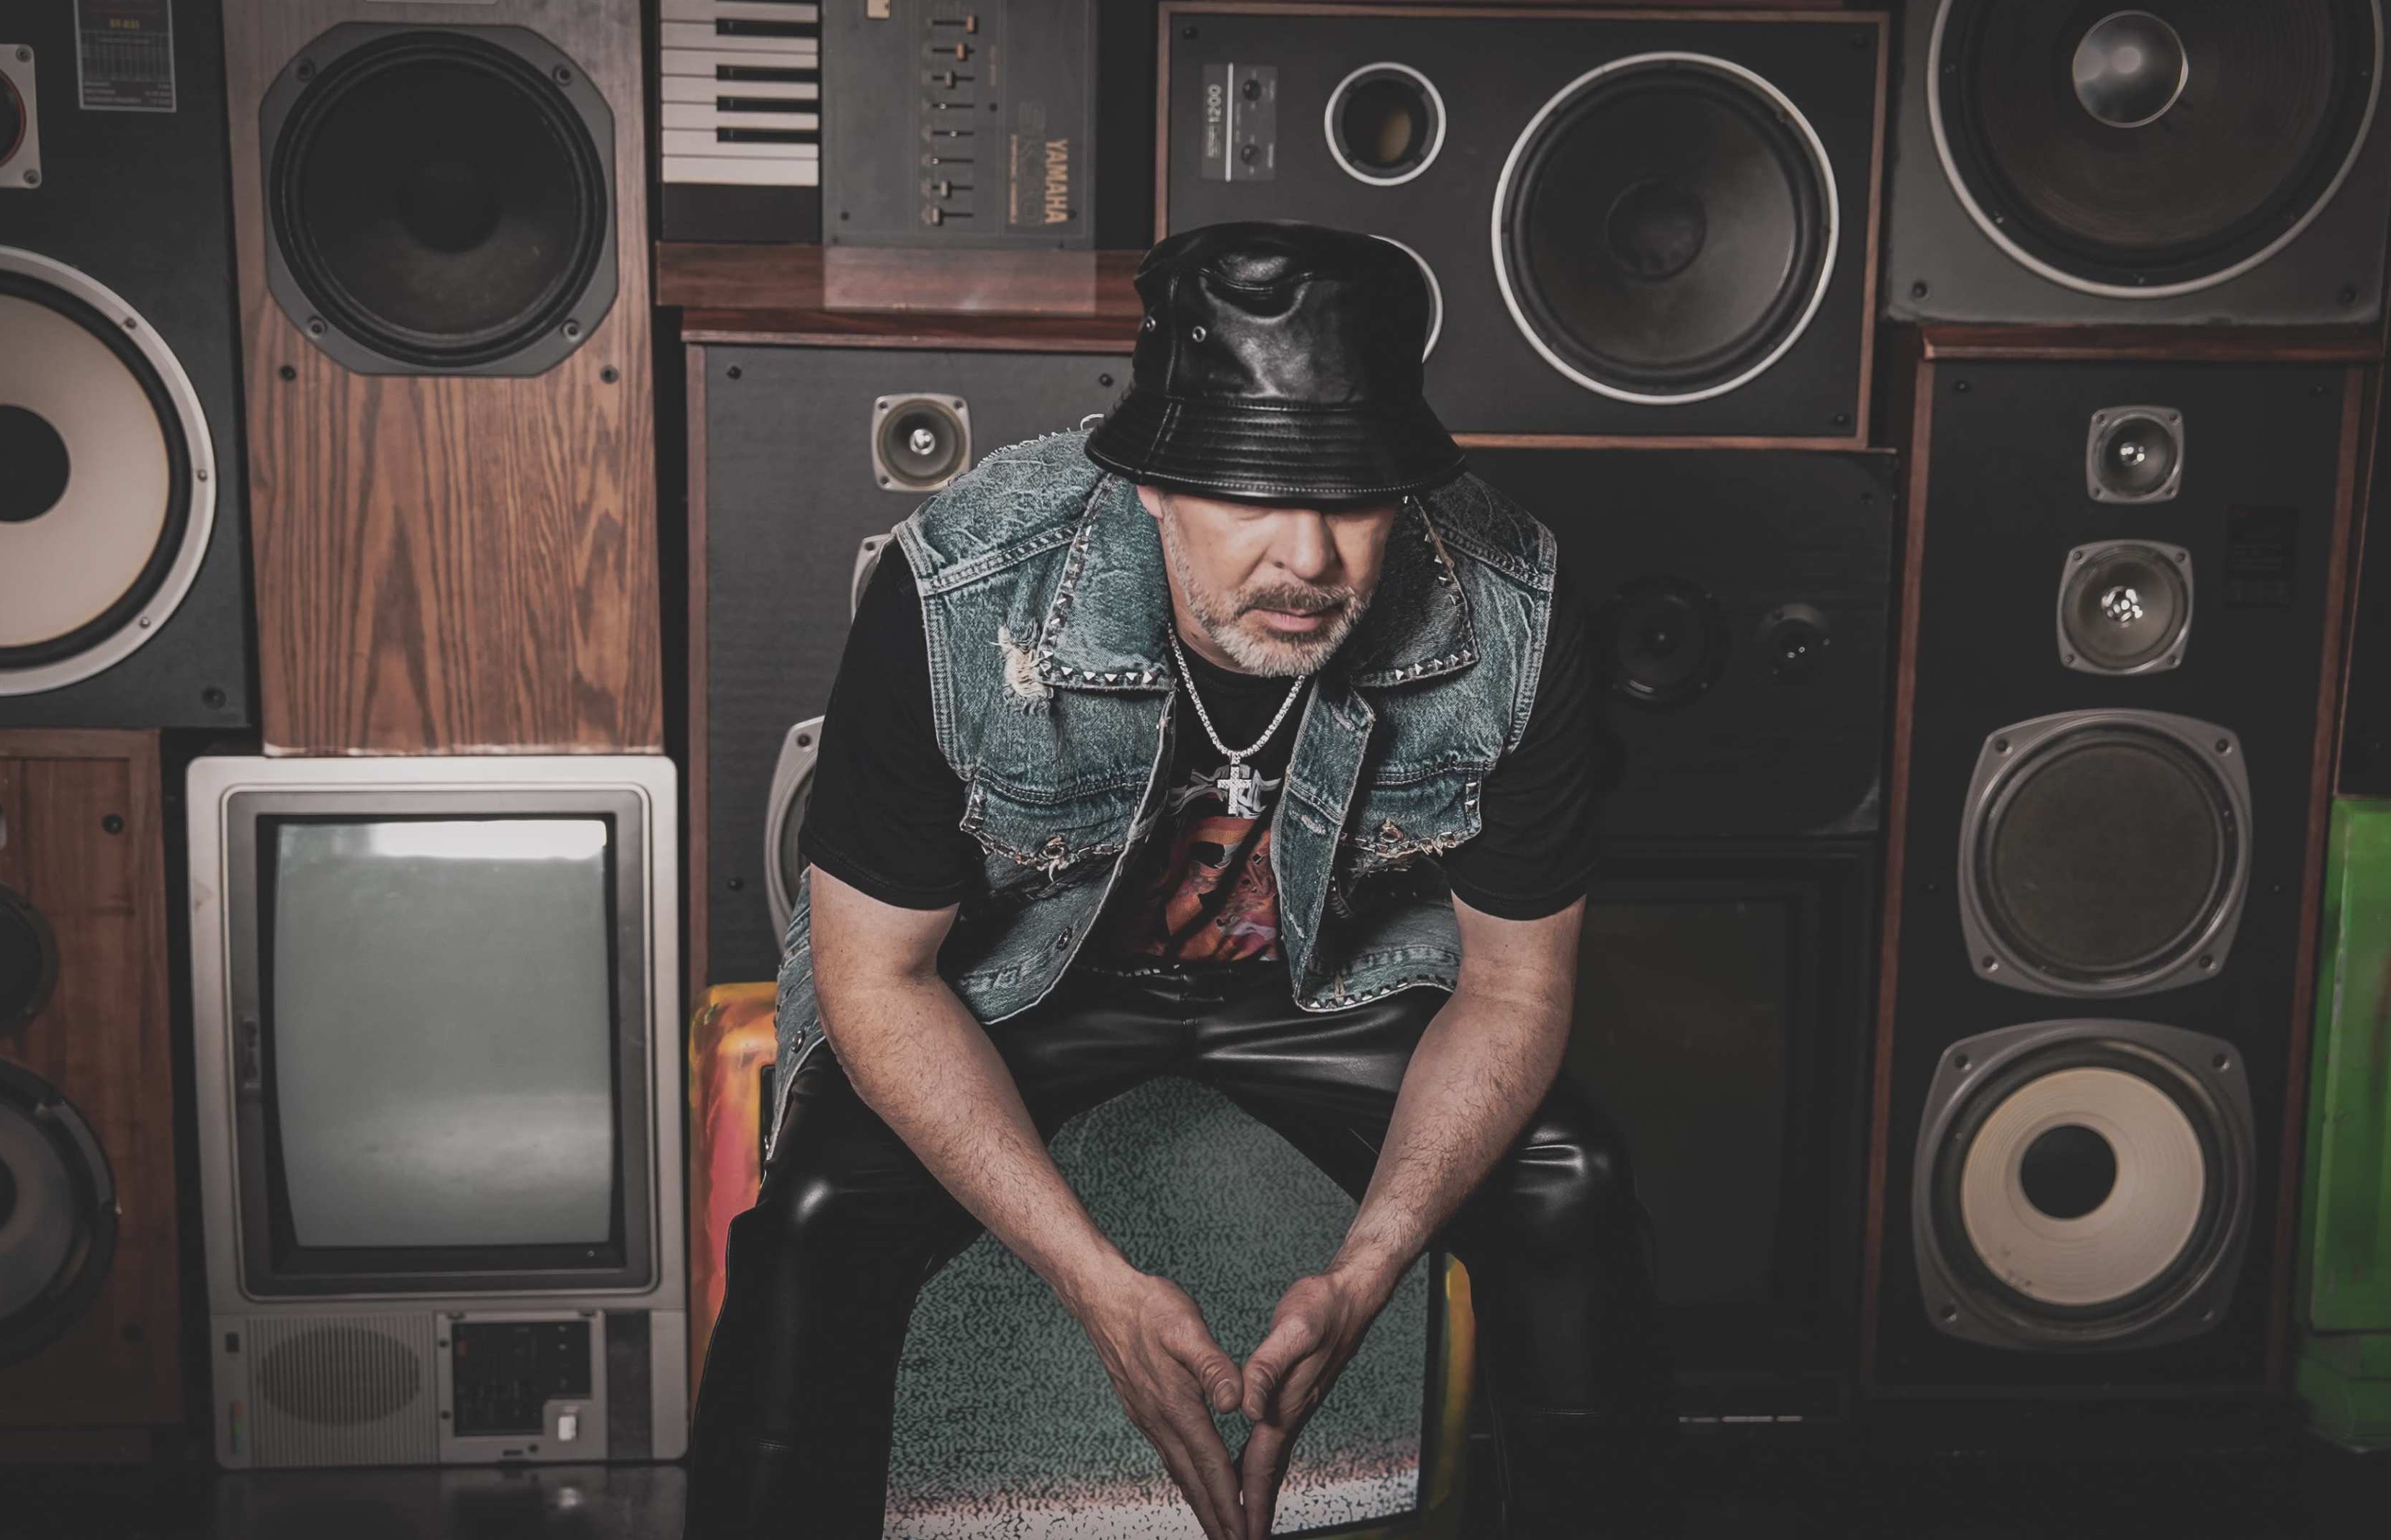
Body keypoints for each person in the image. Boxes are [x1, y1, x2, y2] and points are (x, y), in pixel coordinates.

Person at [686, 220, 1662, 1539]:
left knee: (1573, 1176)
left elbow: (1515, 988)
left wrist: (1368, 1270)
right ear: (1150, 481)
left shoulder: (1512, 607)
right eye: (1256, 493)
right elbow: (878, 977)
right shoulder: (965, 588)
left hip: (1335, 974)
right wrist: (1096, 1285)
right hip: (1028, 970)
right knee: (813, 1213)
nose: (1310, 561)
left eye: (1357, 499)